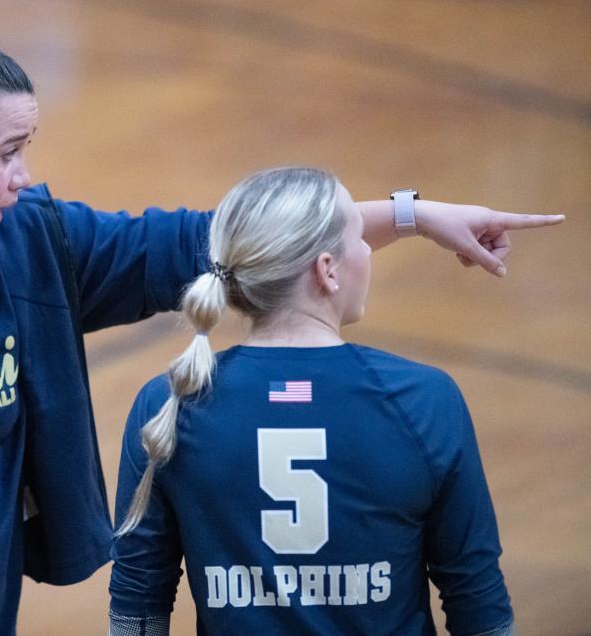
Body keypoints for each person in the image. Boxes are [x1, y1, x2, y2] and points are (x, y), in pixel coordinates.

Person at [0, 0, 559, 635]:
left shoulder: (29, 244)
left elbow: (233, 242)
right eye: (10, 153)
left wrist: (410, 213)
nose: (25, 177)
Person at [109, 167, 521, 635]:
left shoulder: (169, 403)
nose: (368, 249)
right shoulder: (424, 400)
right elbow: (477, 600)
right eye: (361, 237)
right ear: (327, 269)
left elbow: (138, 604)